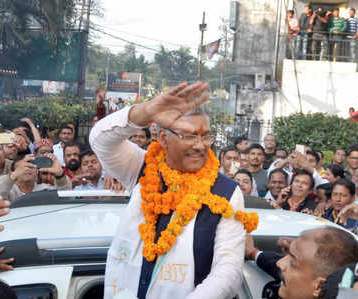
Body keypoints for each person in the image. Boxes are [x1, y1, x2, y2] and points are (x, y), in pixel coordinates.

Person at [90, 81, 256, 299]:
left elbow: (228, 271)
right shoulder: (142, 168)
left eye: (205, 136)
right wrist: (147, 111)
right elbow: (100, 140)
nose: (200, 145)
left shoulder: (225, 192)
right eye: (188, 136)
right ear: (163, 138)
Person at [245, 226, 358, 299]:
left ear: (319, 286)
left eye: (293, 262)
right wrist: (253, 253)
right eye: (286, 255)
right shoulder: (306, 281)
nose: (279, 263)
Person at [0, 154, 70, 202]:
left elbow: (66, 198)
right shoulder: (8, 191)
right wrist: (13, 175)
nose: (27, 169)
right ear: (14, 172)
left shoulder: (45, 190)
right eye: (23, 167)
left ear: (37, 172)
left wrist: (60, 175)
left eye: (31, 166)